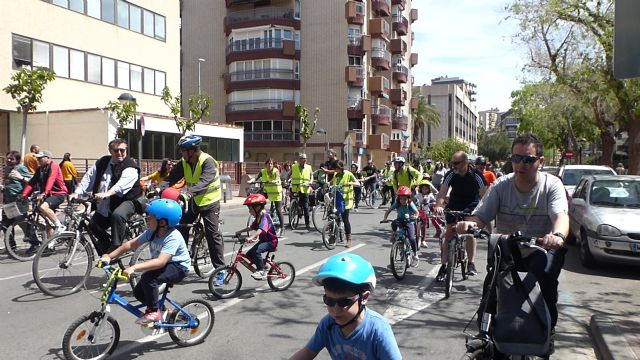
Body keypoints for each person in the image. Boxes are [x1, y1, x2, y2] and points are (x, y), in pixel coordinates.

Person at [455, 133, 568, 336]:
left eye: (527, 159)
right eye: (516, 159)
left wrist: (557, 235)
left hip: (540, 249)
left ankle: (547, 332)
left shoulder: (552, 185)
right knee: (490, 294)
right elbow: (481, 216)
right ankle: (485, 339)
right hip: (507, 250)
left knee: (547, 280)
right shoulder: (501, 185)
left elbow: (560, 216)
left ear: (540, 161)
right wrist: (469, 224)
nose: (520, 165)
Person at [288, 253, 402, 360]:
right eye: (329, 301)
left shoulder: (378, 330)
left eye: (344, 302)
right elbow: (308, 352)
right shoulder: (328, 324)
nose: (335, 310)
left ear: (364, 297)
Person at [99, 198, 190, 323]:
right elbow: (130, 245)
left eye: (151, 217)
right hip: (165, 264)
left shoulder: (173, 237)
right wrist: (109, 256)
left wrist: (134, 267)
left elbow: (161, 262)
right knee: (138, 292)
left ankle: (153, 312)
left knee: (149, 278)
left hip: (178, 267)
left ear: (162, 222)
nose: (148, 219)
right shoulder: (152, 232)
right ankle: (162, 311)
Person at [161, 134, 226, 284]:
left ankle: (220, 270)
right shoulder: (184, 163)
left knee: (212, 233)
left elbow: (204, 181)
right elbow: (171, 178)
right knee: (179, 226)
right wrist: (159, 188)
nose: (181, 153)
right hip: (194, 202)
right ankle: (181, 261)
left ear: (192, 150)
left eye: (183, 150)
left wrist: (188, 193)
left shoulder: (208, 161)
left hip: (210, 202)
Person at [70, 139, 146, 254]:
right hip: (106, 202)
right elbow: (89, 177)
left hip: (129, 200)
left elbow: (121, 185)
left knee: (118, 215)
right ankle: (107, 253)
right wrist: (78, 192)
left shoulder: (130, 166)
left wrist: (107, 193)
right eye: (116, 150)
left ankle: (116, 247)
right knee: (93, 227)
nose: (119, 153)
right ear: (110, 151)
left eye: (122, 150)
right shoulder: (103, 162)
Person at [434, 151, 487, 280]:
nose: (453, 166)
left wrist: (481, 212)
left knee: (469, 230)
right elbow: (442, 193)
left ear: (465, 163)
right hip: (455, 203)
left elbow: (485, 196)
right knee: (449, 234)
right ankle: (444, 266)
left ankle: (471, 263)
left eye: (456, 163)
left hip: (472, 203)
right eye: (452, 163)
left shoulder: (476, 175)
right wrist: (440, 205)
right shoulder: (450, 174)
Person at [233, 193, 279, 280]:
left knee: (257, 251)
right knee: (249, 254)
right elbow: (251, 227)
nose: (249, 211)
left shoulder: (265, 216)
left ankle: (261, 271)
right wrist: (240, 231)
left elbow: (261, 229)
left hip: (271, 241)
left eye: (250, 209)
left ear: (257, 207)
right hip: (263, 241)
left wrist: (252, 237)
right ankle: (265, 265)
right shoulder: (258, 216)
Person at [382, 186, 420, 267]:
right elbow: (388, 211)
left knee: (411, 238)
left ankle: (415, 254)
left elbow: (416, 212)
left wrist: (416, 216)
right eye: (401, 199)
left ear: (408, 198)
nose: (403, 201)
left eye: (405, 199)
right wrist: (385, 218)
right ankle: (394, 235)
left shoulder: (410, 204)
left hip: (410, 221)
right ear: (398, 198)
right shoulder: (397, 204)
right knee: (394, 223)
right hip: (400, 221)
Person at [250, 158, 285, 236]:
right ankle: (261, 218)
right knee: (259, 202)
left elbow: (277, 178)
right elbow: (256, 177)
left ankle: (282, 228)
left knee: (278, 210)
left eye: (271, 164)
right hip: (268, 191)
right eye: (268, 164)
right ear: (265, 165)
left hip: (276, 193)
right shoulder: (263, 171)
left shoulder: (276, 171)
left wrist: (274, 181)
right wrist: (252, 180)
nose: (270, 165)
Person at [332, 161, 359, 248]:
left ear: (340, 167)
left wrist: (350, 183)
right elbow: (333, 183)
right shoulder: (336, 175)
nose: (335, 170)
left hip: (346, 201)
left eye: (336, 168)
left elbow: (357, 183)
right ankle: (333, 235)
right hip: (337, 199)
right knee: (333, 217)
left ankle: (349, 240)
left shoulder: (348, 174)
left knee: (345, 219)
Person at [2, 151, 32, 229]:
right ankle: (10, 241)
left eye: (11, 159)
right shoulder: (6, 168)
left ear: (17, 160)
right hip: (7, 201)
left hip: (18, 201)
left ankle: (33, 240)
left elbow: (32, 181)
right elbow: (7, 181)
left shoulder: (21, 168)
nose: (8, 160)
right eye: (7, 158)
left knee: (22, 223)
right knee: (6, 225)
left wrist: (21, 177)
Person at [416, 179, 443, 247]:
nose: (424, 190)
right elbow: (414, 200)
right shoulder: (418, 194)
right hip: (418, 211)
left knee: (424, 226)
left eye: (426, 189)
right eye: (423, 188)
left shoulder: (430, 195)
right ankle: (416, 235)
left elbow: (434, 201)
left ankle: (423, 240)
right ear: (421, 188)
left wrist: (433, 203)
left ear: (428, 189)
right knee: (414, 222)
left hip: (425, 211)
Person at [290, 153, 313, 230]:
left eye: (305, 158)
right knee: (294, 202)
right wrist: (286, 181)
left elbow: (311, 176)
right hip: (296, 187)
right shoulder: (294, 167)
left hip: (305, 188)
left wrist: (310, 182)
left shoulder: (309, 167)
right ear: (299, 159)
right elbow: (289, 174)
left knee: (306, 206)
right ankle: (295, 214)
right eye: (302, 158)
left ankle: (307, 223)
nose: (304, 160)